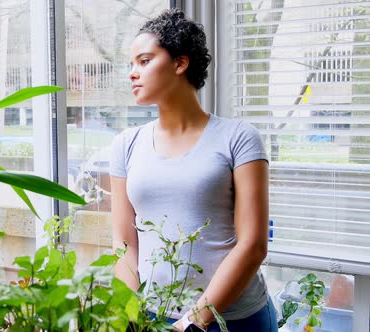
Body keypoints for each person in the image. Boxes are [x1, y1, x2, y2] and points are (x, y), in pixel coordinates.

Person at [109, 9, 277, 332]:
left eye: (144, 61)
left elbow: (253, 244)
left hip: (235, 320)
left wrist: (192, 322)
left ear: (179, 63)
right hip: (153, 318)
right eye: (131, 64)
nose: (132, 73)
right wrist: (134, 314)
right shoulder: (126, 145)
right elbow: (124, 241)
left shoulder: (239, 138)